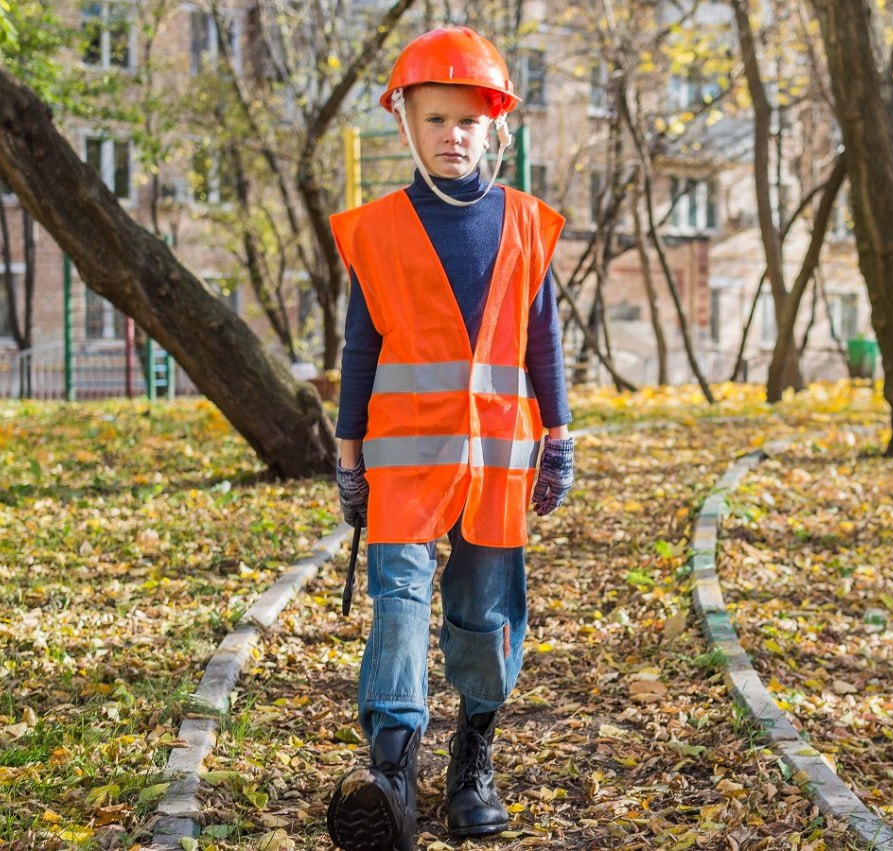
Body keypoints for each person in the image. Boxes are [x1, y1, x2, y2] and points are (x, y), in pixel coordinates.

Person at [324, 26, 574, 850]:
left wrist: (561, 437)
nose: (453, 135)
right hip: (402, 459)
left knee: (482, 609)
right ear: (406, 123)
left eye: (469, 120)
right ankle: (390, 767)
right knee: (398, 600)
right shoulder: (380, 230)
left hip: (499, 461)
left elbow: (543, 346)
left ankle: (474, 753)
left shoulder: (527, 226)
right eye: (436, 120)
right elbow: (362, 348)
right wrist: (348, 453)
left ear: (494, 127)